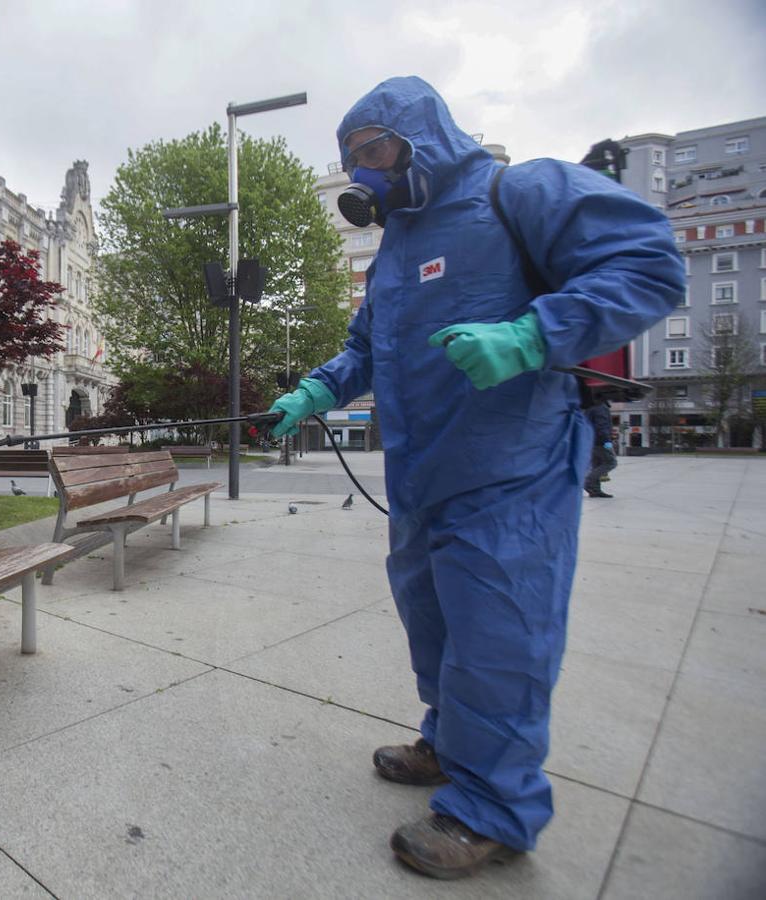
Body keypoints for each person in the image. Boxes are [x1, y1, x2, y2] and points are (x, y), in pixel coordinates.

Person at [268, 77, 683, 879]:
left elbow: (648, 264)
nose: (367, 171)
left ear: (422, 136)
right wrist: (318, 388)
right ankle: (447, 742)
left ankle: (493, 809)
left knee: (500, 636)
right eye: (352, 159)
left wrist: (533, 334)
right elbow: (367, 347)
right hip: (421, 472)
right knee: (434, 623)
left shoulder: (518, 189)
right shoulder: (395, 246)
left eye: (376, 150)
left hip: (511, 468)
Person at [584, 398, 618, 498]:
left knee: (597, 464)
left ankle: (595, 490)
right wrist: (607, 440)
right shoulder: (600, 407)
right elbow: (601, 426)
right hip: (599, 441)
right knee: (611, 462)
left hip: (590, 440)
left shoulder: (591, 406)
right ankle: (588, 481)